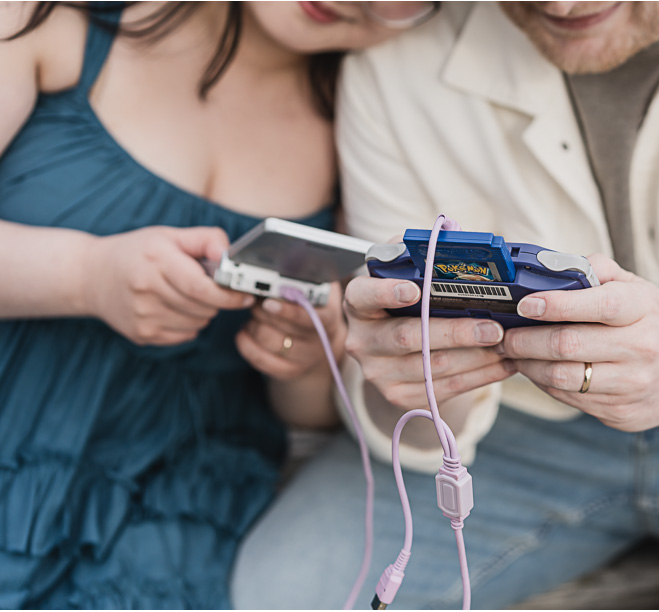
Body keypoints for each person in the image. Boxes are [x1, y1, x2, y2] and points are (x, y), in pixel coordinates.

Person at [232, 1, 659, 609]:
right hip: (516, 437)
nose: (560, 5)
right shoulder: (396, 67)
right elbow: (395, 416)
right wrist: (425, 388)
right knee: (279, 594)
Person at [0, 1, 440, 607]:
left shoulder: (365, 121)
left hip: (173, 501)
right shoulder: (47, 22)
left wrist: (306, 354)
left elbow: (305, 415)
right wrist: (86, 277)